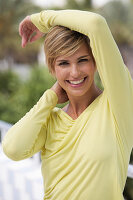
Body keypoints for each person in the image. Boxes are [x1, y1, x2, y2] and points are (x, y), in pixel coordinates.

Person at [2, 9, 133, 200]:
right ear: (52, 68)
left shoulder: (117, 104)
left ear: (95, 61)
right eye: (64, 63)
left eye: (82, 60)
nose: (75, 72)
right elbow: (12, 148)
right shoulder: (50, 120)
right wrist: (51, 96)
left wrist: (39, 20)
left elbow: (96, 24)